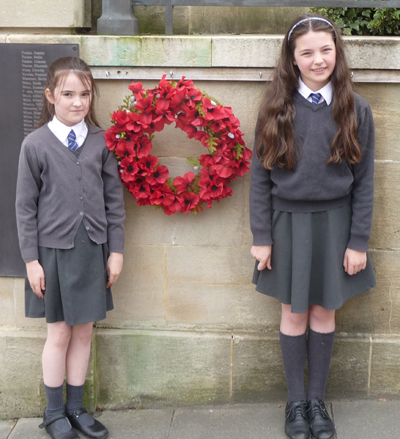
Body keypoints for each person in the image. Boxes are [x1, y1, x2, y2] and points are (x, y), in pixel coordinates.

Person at [250, 14, 375, 439]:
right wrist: (261, 238)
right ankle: (295, 403)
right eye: (307, 52)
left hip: (336, 224)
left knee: (324, 311)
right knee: (293, 312)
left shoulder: (356, 108)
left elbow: (366, 181)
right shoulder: (275, 108)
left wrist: (358, 241)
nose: (318, 59)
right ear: (293, 58)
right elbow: (259, 179)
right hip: (287, 225)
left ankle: (318, 401)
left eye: (325, 49)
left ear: (336, 53)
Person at [16, 57, 125, 439]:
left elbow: (114, 200)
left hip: (92, 249)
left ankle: (76, 408)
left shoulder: (101, 141)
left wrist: (116, 251)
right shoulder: (35, 145)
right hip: (52, 255)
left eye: (84, 93)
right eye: (67, 94)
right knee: (59, 333)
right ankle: (53, 411)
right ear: (50, 96)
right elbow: (24, 207)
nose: (77, 102)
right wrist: (31, 260)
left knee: (84, 332)